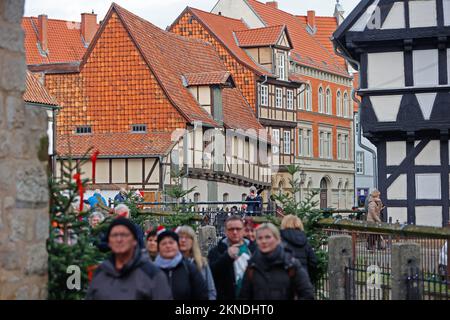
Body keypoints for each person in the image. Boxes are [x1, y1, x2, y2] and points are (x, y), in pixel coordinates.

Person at [86, 218, 172, 300]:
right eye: (114, 235)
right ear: (109, 242)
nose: (119, 239)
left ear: (134, 241)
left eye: (124, 235)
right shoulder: (101, 272)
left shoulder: (152, 274)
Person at [239, 223, 314, 300]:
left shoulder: (290, 264)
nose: (264, 241)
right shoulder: (252, 266)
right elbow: (244, 296)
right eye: (260, 238)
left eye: (268, 237)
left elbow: (307, 294)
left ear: (277, 239)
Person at [208, 215, 256, 300]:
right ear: (226, 231)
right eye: (231, 229)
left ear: (244, 230)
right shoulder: (216, 251)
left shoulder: (254, 249)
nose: (234, 232)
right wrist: (227, 257)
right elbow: (211, 275)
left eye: (238, 229)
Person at [154, 230, 208, 300]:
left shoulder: (189, 268)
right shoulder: (151, 269)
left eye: (171, 242)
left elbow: (202, 294)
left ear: (177, 245)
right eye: (164, 243)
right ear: (158, 248)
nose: (168, 246)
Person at [177, 225, 217, 300]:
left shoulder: (202, 263)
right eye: (180, 237)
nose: (183, 240)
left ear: (193, 241)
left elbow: (211, 290)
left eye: (187, 238)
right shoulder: (172, 263)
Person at [280, 215, 318, 283]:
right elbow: (313, 262)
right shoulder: (305, 241)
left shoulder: (279, 240)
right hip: (302, 279)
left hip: (284, 280)